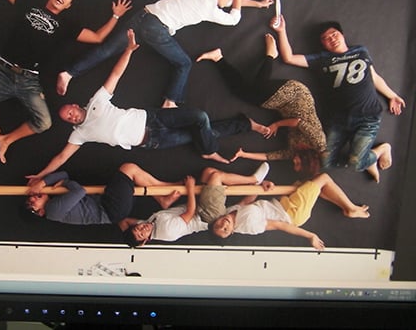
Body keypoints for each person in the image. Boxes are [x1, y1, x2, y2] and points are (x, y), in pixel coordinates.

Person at [26, 30, 270, 184]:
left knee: (201, 117)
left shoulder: (96, 101)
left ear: (75, 106)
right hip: (153, 141)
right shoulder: (80, 134)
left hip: (155, 118)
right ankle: (242, 125)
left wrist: (128, 50)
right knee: (205, 133)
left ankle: (210, 149)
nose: (71, 116)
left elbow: (115, 75)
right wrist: (42, 175)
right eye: (68, 119)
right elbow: (61, 157)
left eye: (70, 111)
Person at [0, 0, 133, 164]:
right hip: (2, 69)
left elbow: (97, 37)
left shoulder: (67, 26)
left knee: (44, 123)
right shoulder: (29, 5)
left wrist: (116, 16)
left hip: (29, 79)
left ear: (68, 5)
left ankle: (6, 139)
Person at [56, 0, 274, 108]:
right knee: (184, 63)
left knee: (108, 50)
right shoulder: (209, 8)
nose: (231, 0)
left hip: (143, 15)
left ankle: (68, 73)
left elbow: (228, 3)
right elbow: (234, 18)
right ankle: (170, 101)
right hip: (156, 29)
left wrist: (256, 3)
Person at [271, 15, 406, 182]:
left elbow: (374, 77)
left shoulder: (360, 51)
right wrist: (281, 30)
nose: (332, 39)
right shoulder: (322, 59)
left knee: (356, 163)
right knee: (326, 162)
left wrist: (392, 95)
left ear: (342, 35)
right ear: (323, 44)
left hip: (366, 117)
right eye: (326, 38)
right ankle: (367, 159)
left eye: (334, 34)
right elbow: (289, 58)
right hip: (339, 120)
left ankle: (378, 152)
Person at [196, 33, 326, 178]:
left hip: (281, 107)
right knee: (259, 86)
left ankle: (218, 58)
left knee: (241, 91)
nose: (294, 162)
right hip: (296, 96)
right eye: (298, 164)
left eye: (295, 165)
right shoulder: (318, 143)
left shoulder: (294, 152)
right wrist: (276, 125)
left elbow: (268, 156)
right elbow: (299, 122)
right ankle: (271, 55)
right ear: (309, 162)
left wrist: (244, 154)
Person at [210, 171, 370, 250]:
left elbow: (247, 201)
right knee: (323, 178)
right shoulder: (248, 225)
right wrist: (310, 236)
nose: (223, 225)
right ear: (232, 232)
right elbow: (280, 225)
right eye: (225, 230)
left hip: (284, 203)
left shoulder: (230, 211)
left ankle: (345, 207)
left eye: (218, 226)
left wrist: (260, 184)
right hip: (292, 213)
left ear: (217, 219)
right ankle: (351, 209)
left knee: (315, 184)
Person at [120, 162, 271, 246]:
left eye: (138, 228)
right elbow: (190, 212)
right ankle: (253, 179)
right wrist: (190, 188)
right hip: (206, 216)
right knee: (216, 177)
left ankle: (254, 184)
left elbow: (124, 221)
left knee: (208, 172)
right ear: (145, 240)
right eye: (141, 234)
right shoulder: (166, 230)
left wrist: (131, 235)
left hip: (200, 208)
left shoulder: (147, 225)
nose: (142, 229)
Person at [26, 162, 182, 225]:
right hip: (110, 210)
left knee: (130, 173)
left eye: (30, 198)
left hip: (107, 205)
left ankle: (162, 197)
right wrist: (65, 183)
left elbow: (64, 174)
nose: (33, 198)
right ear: (41, 212)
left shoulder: (53, 203)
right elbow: (80, 191)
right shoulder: (53, 210)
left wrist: (43, 182)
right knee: (129, 169)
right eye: (32, 204)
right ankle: (167, 188)